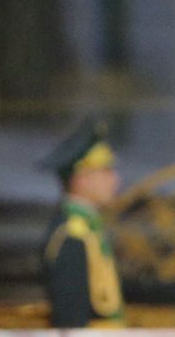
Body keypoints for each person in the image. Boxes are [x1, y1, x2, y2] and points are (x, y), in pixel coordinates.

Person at [39, 118, 126, 329]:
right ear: (81, 179)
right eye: (105, 171)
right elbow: (71, 320)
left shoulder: (89, 228)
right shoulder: (71, 235)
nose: (115, 180)